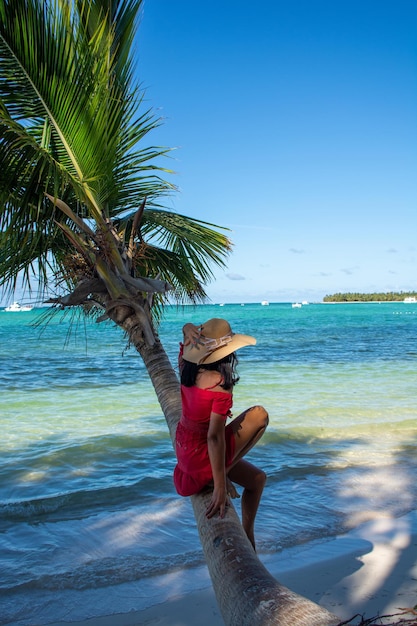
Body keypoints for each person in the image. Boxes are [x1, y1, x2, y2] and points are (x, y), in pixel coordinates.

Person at [173, 317, 269, 550]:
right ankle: (222, 474)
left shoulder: (186, 366)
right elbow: (214, 437)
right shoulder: (220, 384)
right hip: (203, 456)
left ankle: (248, 535)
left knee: (257, 479)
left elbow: (185, 338)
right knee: (260, 415)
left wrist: (187, 327)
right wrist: (219, 486)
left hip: (185, 451)